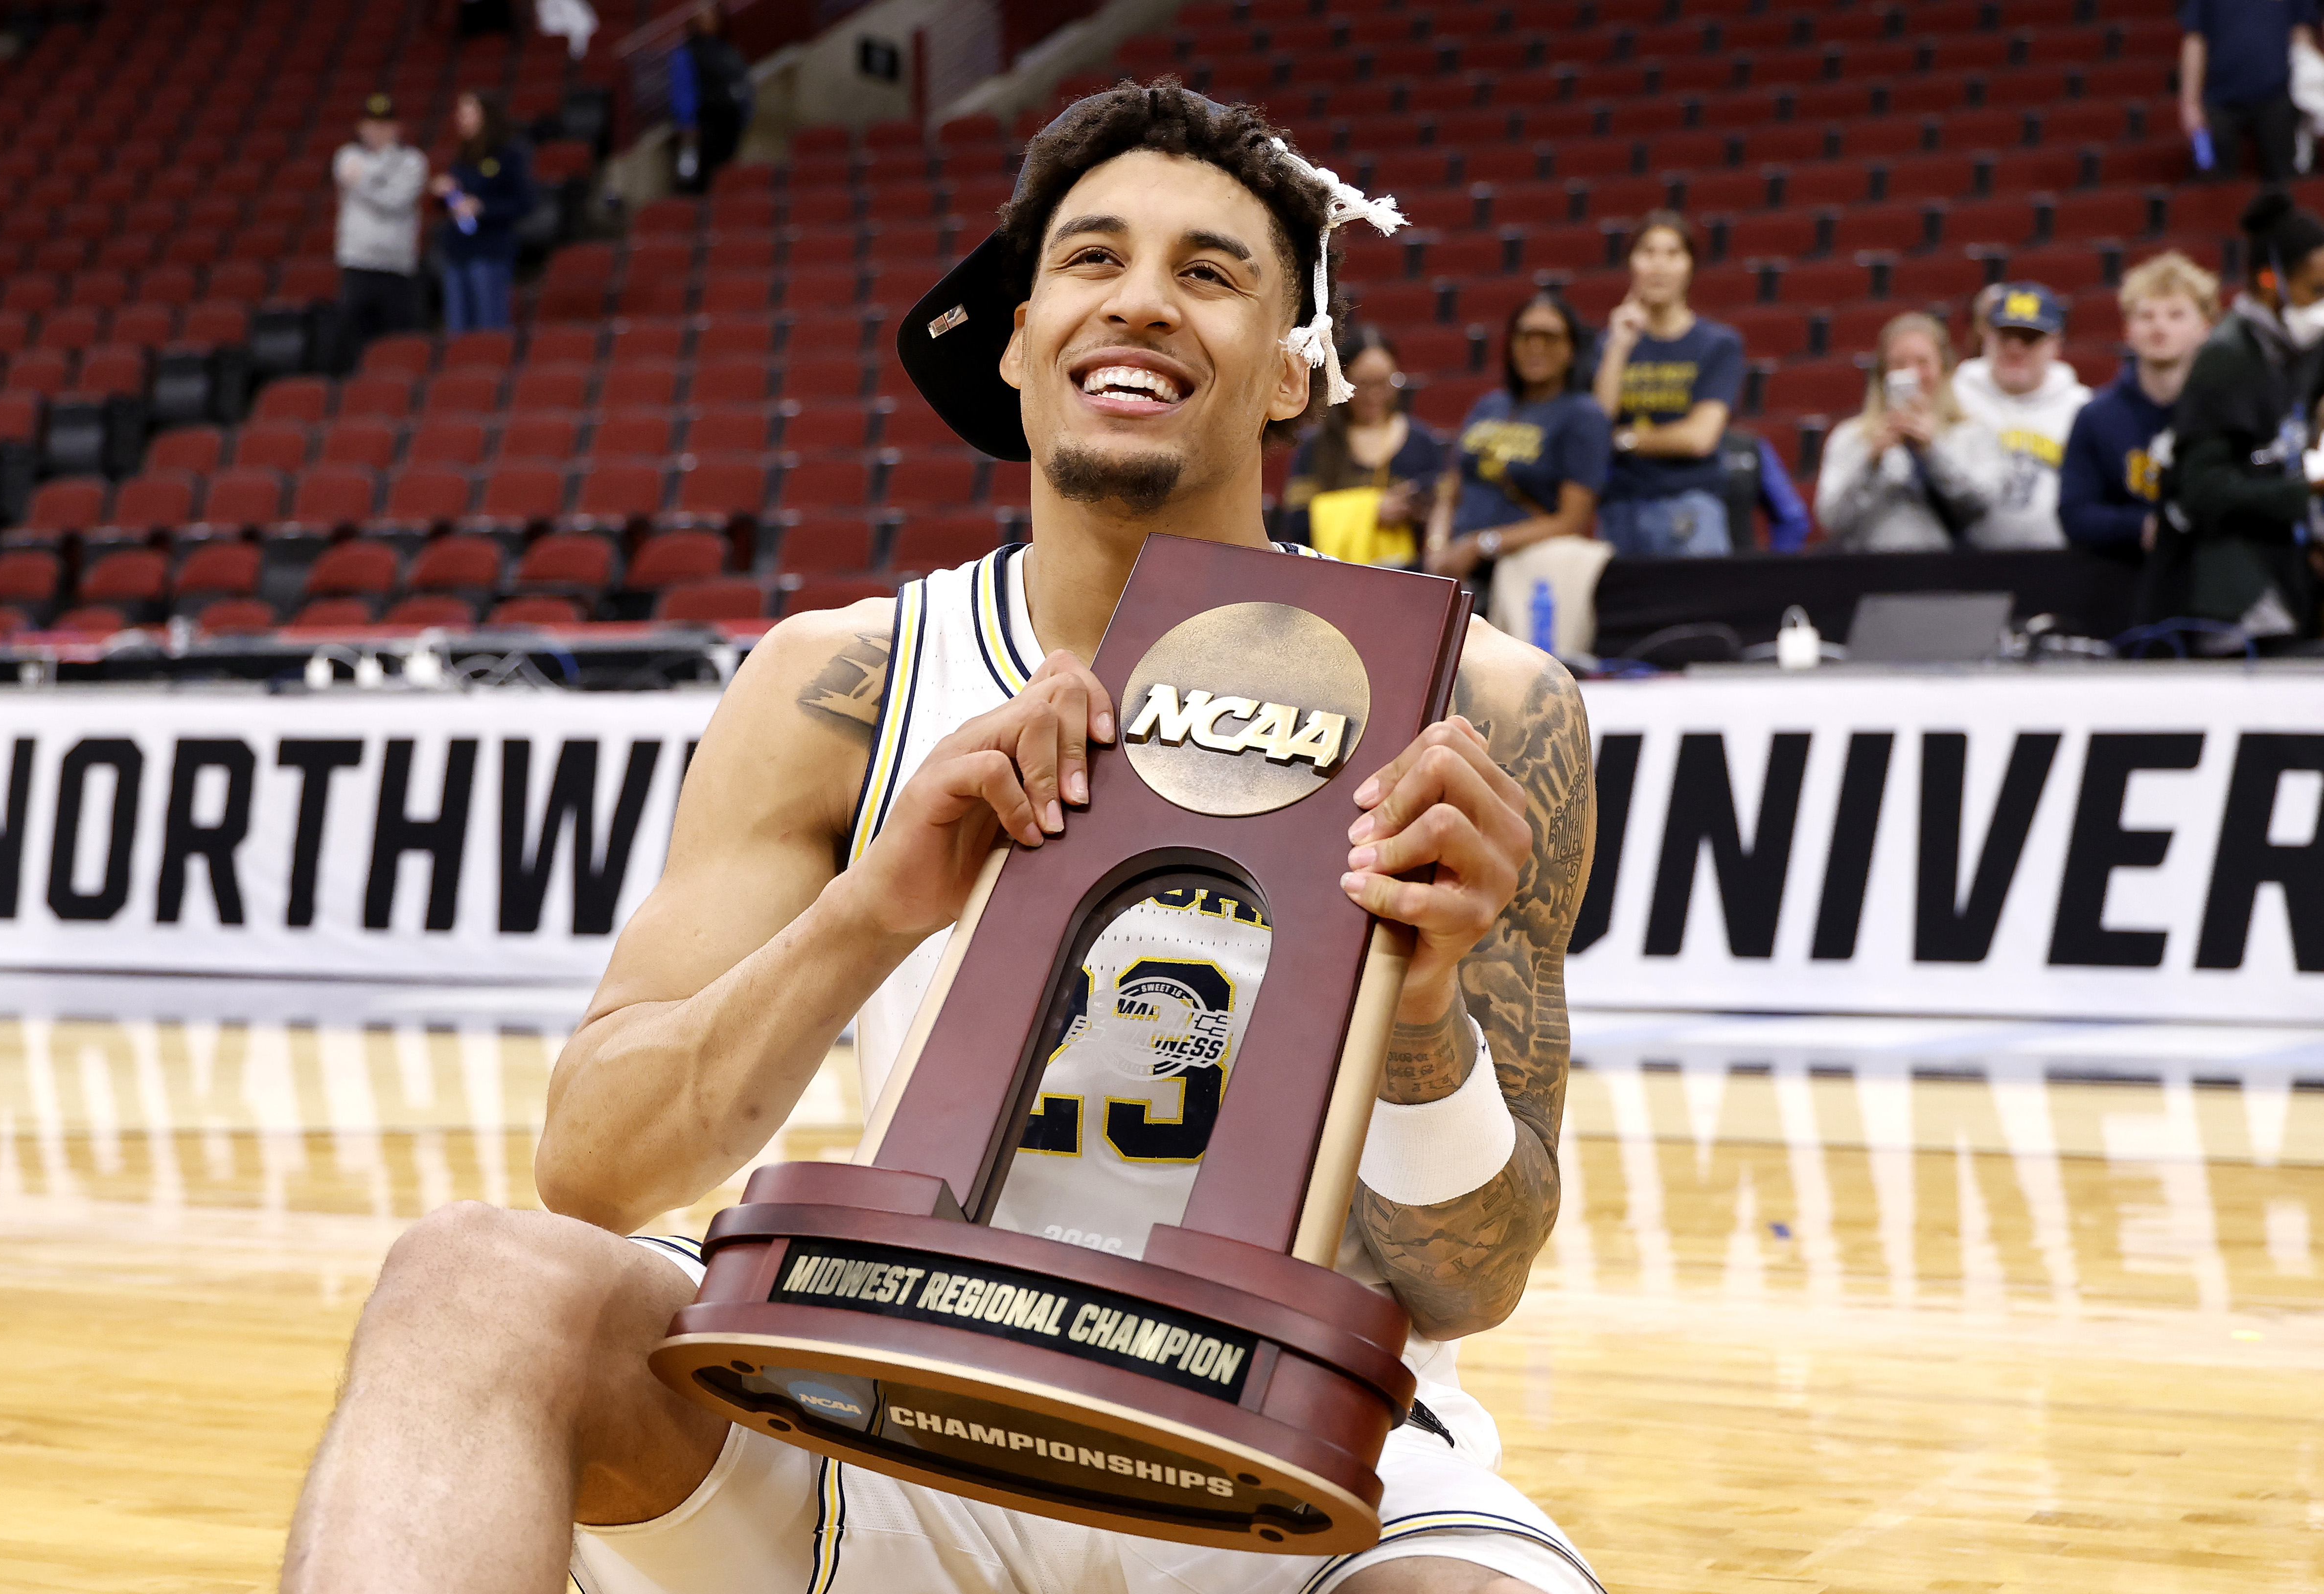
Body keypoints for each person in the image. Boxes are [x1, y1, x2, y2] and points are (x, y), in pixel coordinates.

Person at [280, 82, 1603, 1594]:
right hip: (874, 1413)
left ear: (1295, 368)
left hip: (1278, 1451)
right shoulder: (838, 682)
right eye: (1092, 260)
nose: (1144, 304)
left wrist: (1421, 1016)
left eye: (1211, 271)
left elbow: (1471, 1274)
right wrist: (870, 912)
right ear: (1022, 335)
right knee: (477, 1280)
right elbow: (592, 1163)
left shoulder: (1481, 703)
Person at [2153, 190, 2324, 647]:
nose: (2321, 303)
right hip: (2234, 596)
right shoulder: (2225, 360)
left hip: (2288, 572)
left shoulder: (2302, 348)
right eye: (2316, 290)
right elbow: (2201, 491)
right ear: (2270, 281)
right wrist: (2305, 488)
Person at [1424, 292, 1608, 643]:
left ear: (1571, 348)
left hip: (1520, 573)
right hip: (1454, 567)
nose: (1535, 346)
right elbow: (1451, 489)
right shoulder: (1488, 406)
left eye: (1549, 337)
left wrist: (1481, 544)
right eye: (1526, 336)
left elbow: (1571, 520)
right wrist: (1437, 549)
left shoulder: (1583, 416)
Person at [1589, 210, 1744, 558]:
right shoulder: (1607, 344)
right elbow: (1598, 423)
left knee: (1701, 611)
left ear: (1690, 266)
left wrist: (1626, 439)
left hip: (1690, 507)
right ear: (1631, 263)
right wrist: (1619, 346)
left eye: (1672, 254)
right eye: (1647, 252)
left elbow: (1698, 438)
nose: (1658, 266)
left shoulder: (1718, 344)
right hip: (1619, 507)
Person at [2059, 251, 2221, 568]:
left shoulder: (2227, 411)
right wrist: (2143, 527)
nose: (2159, 327)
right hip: (2118, 581)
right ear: (2127, 329)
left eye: (2175, 315)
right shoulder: (2094, 417)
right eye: (2146, 316)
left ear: (2205, 327)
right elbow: (2075, 513)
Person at [1815, 312, 2005, 552]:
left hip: (1951, 578)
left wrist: (1932, 452)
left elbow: (1982, 511)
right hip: (1871, 576)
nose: (1912, 375)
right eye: (1899, 364)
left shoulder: (1973, 434)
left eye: (1923, 363)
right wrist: (1872, 462)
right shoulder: (1851, 438)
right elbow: (1832, 521)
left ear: (1943, 369)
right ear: (1883, 374)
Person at [1278, 325, 1442, 565]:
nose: (1376, 395)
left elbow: (1441, 512)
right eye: (1364, 384)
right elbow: (1298, 522)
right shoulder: (1318, 446)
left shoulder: (1422, 442)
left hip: (1409, 573)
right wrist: (1372, 512)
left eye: (1386, 383)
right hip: (1333, 574)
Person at [1949, 281, 2092, 548]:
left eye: (2029, 337)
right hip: (1964, 563)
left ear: (2055, 343)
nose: (2015, 349)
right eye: (2006, 335)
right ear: (1986, 336)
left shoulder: (2082, 408)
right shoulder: (1955, 398)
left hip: (2057, 564)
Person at [331, 93, 429, 373]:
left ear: (397, 128)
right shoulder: (347, 155)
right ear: (361, 127)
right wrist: (380, 184)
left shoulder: (412, 160)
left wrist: (362, 183)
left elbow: (396, 201)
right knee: (351, 343)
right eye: (371, 125)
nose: (377, 132)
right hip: (358, 263)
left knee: (398, 344)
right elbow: (378, 189)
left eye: (385, 125)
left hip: (397, 268)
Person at [429, 91, 539, 332]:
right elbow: (453, 202)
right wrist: (446, 192)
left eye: (468, 113)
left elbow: (524, 202)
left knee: (489, 326)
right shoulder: (462, 155)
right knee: (458, 328)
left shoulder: (510, 154)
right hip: (458, 251)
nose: (461, 118)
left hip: (490, 250)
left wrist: (483, 207)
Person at [2179, 0, 2318, 184]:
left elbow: (2301, 33)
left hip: (2277, 94)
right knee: (2215, 184)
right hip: (2219, 99)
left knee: (2286, 182)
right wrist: (2190, 103)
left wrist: (2312, 87)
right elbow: (2195, 39)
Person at [669, 3, 753, 193]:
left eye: (711, 17)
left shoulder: (728, 50)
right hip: (704, 124)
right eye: (703, 18)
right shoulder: (688, 51)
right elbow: (683, 88)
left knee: (725, 176)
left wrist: (745, 114)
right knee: (696, 179)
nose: (708, 22)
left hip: (730, 123)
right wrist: (687, 121)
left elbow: (743, 84)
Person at [1717, 428, 1812, 552]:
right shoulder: (1749, 446)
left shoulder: (1750, 447)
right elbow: (1793, 518)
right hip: (1737, 565)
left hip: (1738, 564)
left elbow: (1792, 519)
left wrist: (1775, 567)